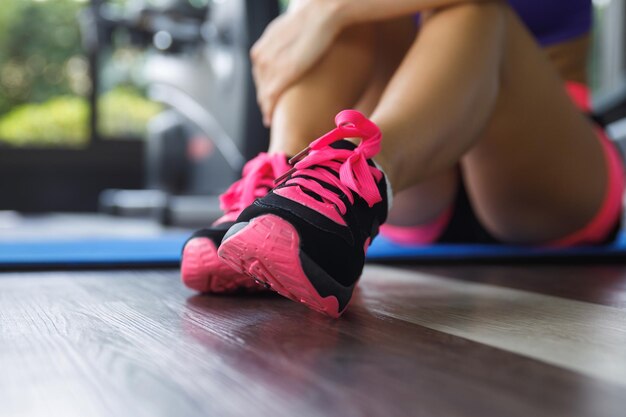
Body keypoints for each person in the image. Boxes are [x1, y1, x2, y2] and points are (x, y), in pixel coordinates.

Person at [181, 0, 625, 317]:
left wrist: (330, 10)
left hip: (541, 171)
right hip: (419, 167)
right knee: (342, 16)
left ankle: (357, 181)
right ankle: (284, 193)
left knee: (477, 9)